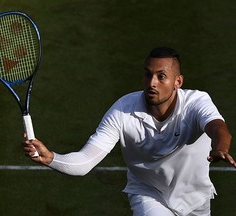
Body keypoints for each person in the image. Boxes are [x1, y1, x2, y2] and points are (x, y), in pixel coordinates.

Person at [23, 47, 236, 216]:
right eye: (148, 75)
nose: (152, 83)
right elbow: (85, 161)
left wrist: (221, 147)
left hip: (195, 199)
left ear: (178, 82)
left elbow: (218, 128)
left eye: (161, 76)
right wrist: (52, 158)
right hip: (148, 193)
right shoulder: (122, 111)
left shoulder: (197, 102)